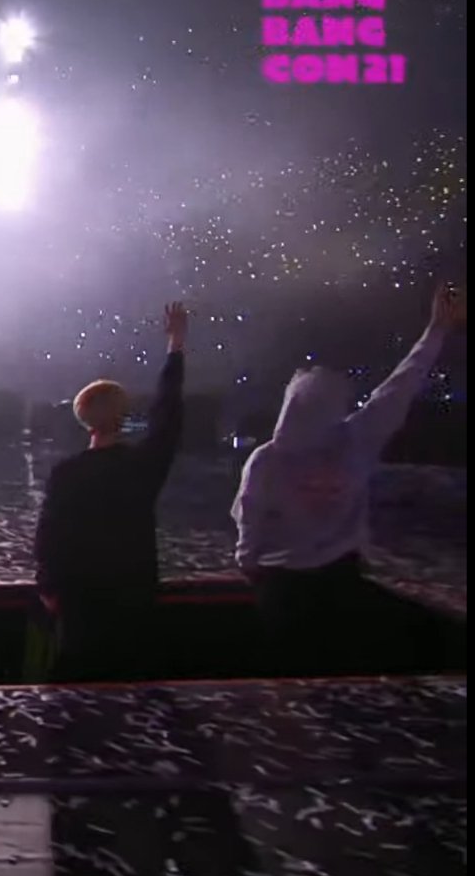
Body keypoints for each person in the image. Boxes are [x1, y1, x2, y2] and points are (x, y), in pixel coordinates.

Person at [233, 285, 463, 675]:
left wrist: (248, 562)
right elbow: (401, 384)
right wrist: (436, 329)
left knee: (291, 680)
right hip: (338, 580)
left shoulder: (266, 459)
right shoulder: (357, 437)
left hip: (282, 589)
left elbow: (249, 520)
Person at [33, 302, 188, 682]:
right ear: (122, 415)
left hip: (81, 603)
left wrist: (49, 586)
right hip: (134, 596)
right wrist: (175, 346)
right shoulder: (142, 466)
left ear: (84, 419)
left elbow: (49, 536)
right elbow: (167, 415)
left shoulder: (66, 474)